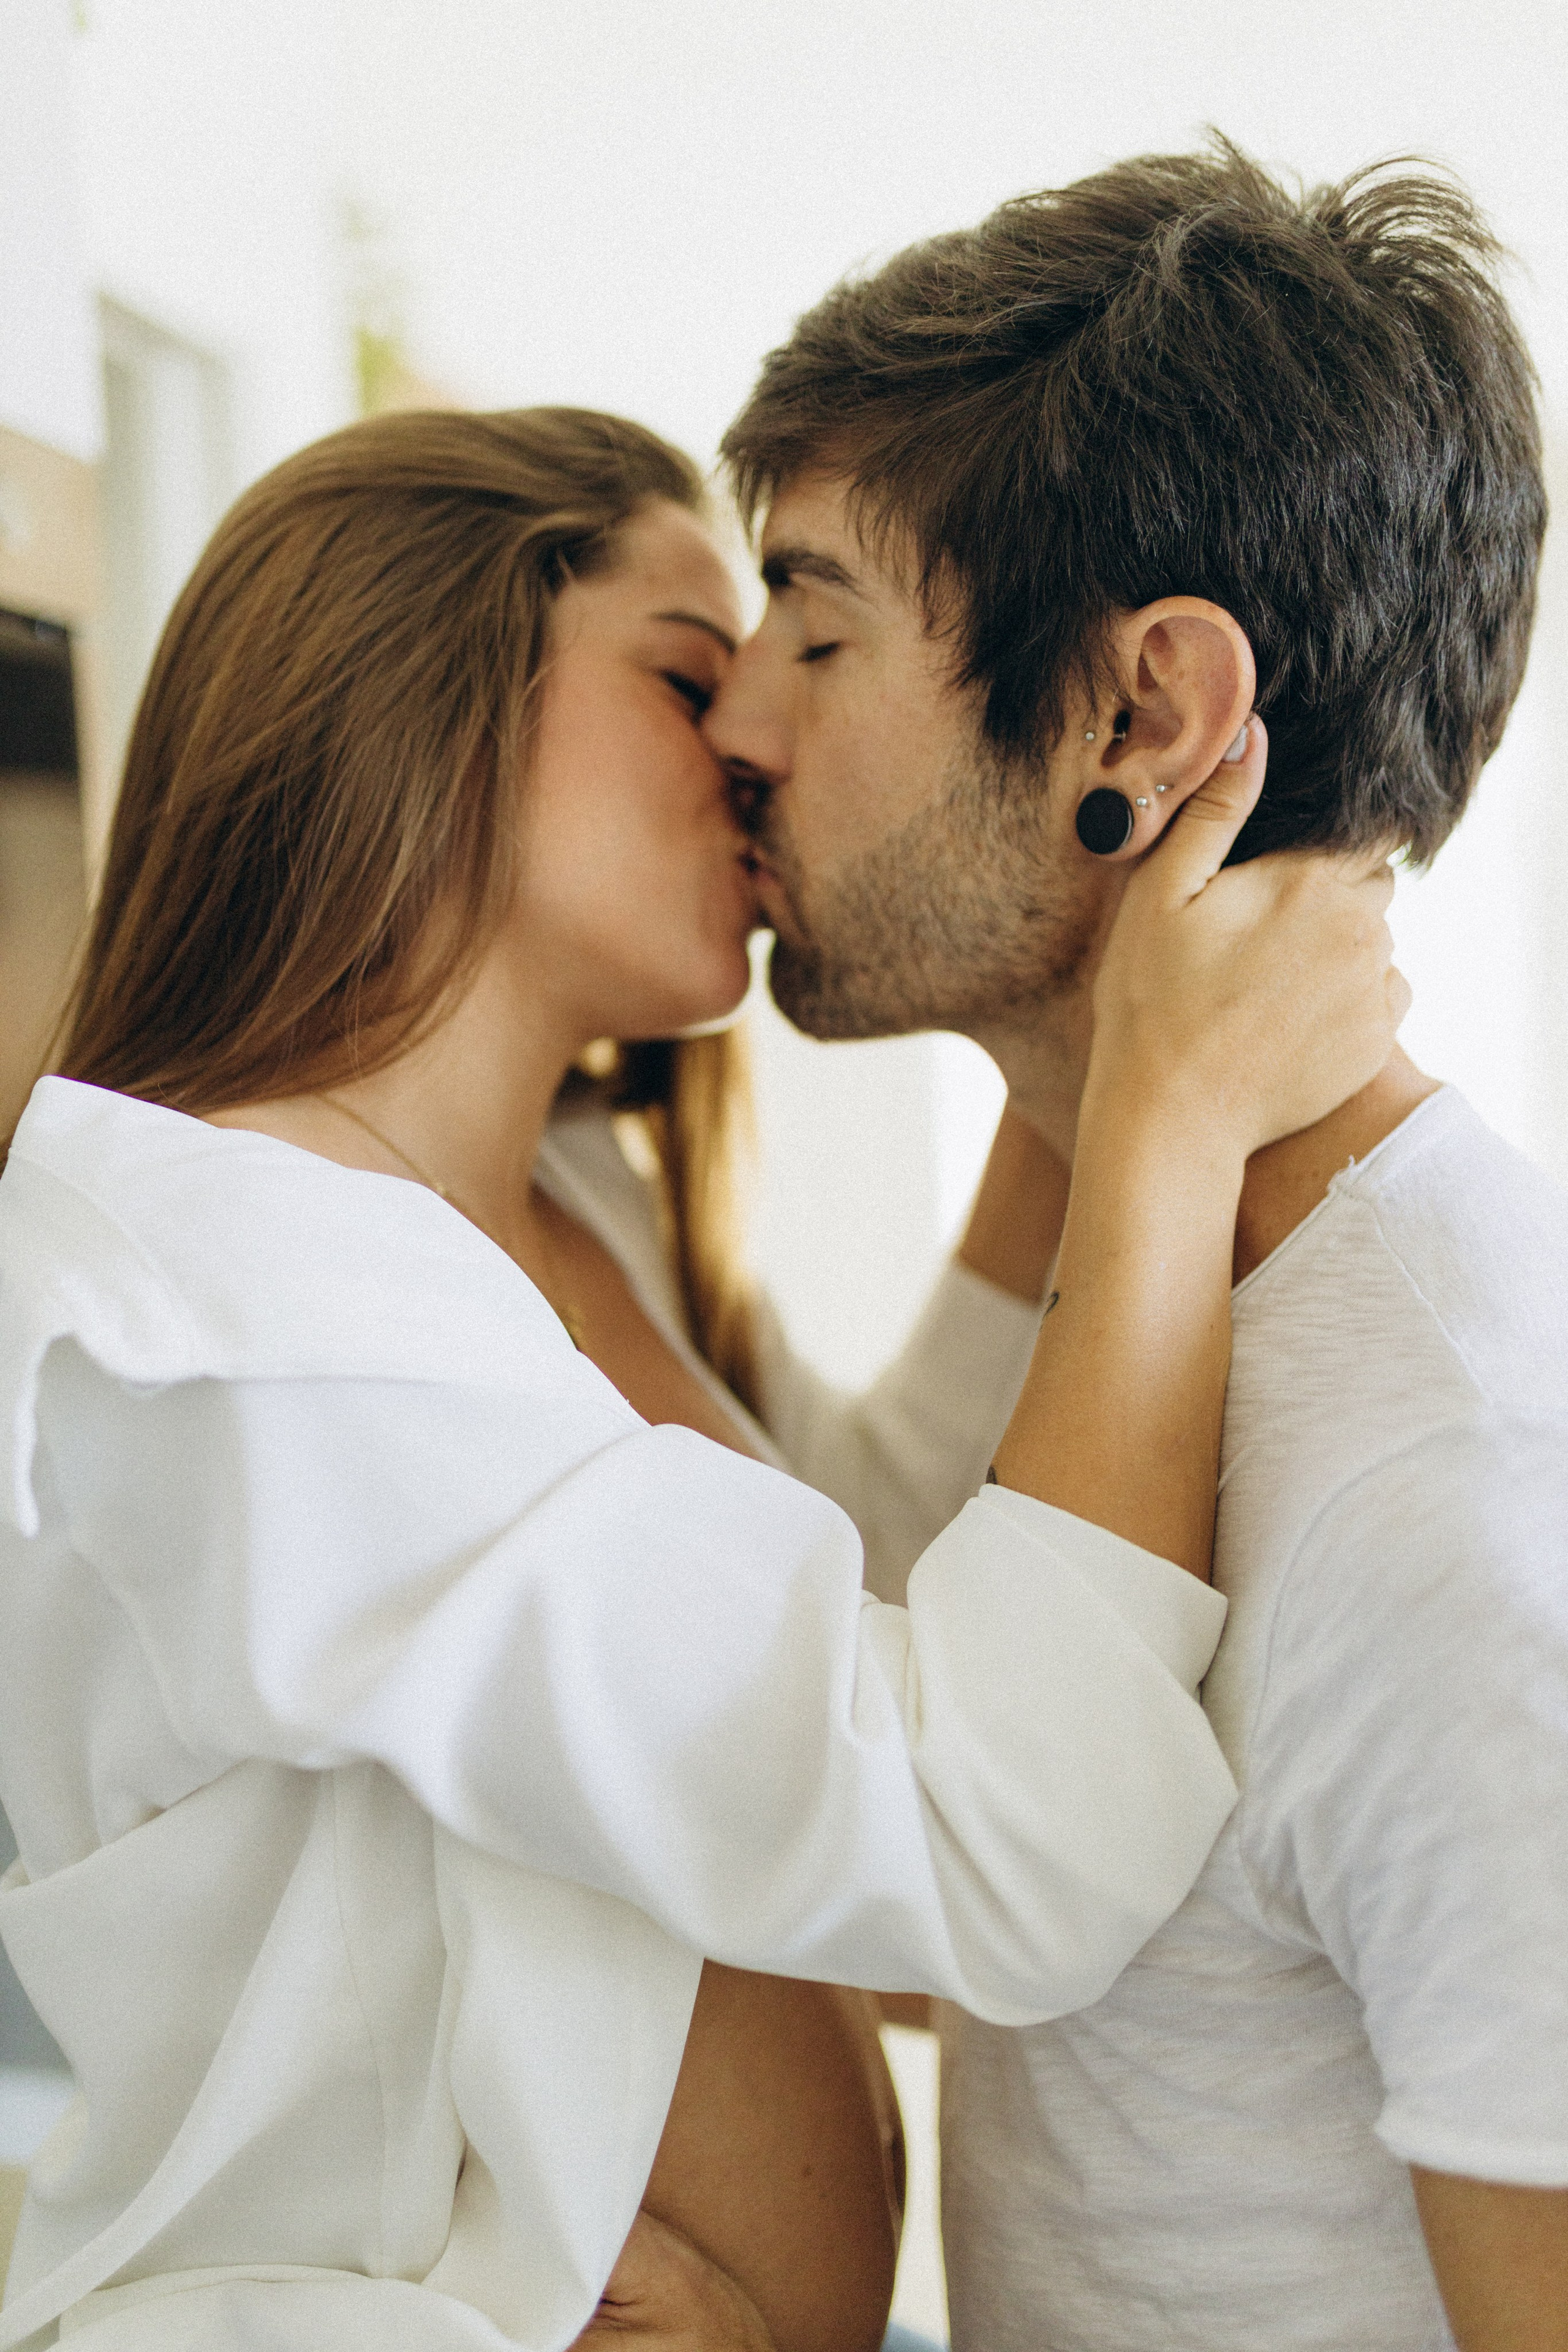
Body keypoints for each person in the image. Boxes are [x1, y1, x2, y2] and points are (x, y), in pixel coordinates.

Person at [0, 405, 1398, 2352]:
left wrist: (1075, 1007)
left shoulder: (555, 1205)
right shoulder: (240, 1315)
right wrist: (1169, 1119)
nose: (753, 734)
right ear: (425, 677)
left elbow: (891, 1571)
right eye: (688, 669)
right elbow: (990, 1819)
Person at [709, 140, 1568, 2351]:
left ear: (1140, 717)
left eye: (815, 623)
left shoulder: (1443, 1506)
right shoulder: (1166, 1308)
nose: (738, 720)